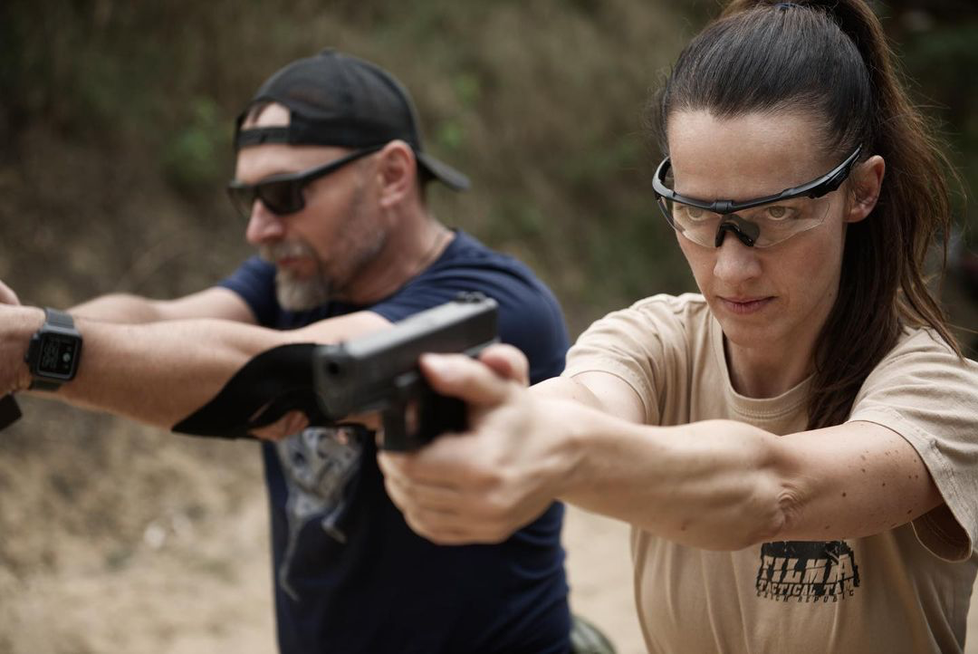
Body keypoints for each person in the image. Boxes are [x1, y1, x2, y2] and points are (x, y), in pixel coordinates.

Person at [378, 2, 978, 652]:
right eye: (695, 212)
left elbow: (773, 489)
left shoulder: (936, 391)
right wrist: (499, 427)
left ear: (862, 190)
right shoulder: (654, 339)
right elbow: (580, 401)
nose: (731, 266)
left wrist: (555, 451)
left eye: (777, 213)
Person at [0, 50, 575, 653]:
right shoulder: (301, 279)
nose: (258, 228)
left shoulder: (491, 310)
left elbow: (284, 378)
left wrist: (29, 350)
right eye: (247, 199)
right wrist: (27, 322)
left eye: (283, 194)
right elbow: (156, 321)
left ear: (392, 176)